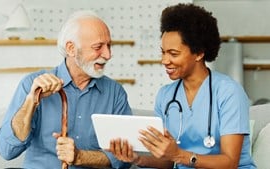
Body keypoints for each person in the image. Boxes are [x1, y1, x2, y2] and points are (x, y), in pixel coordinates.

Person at [109, 3, 256, 169]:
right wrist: (137, 159)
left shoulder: (229, 92)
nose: (165, 61)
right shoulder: (165, 96)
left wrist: (178, 154)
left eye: (173, 54)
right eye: (163, 52)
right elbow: (168, 161)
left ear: (199, 53)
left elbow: (230, 162)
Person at [0, 10, 132, 169]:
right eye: (98, 47)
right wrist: (30, 102)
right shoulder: (31, 85)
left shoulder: (115, 93)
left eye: (109, 46)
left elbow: (125, 159)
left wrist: (81, 157)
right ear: (71, 48)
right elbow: (7, 151)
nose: (108, 55)